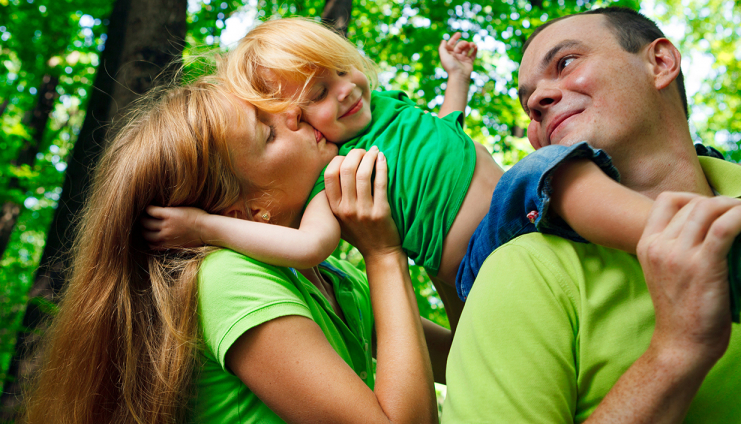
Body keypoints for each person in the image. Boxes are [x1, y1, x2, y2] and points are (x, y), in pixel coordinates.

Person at [147, 16, 741, 330]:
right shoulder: (343, 174)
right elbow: (308, 248)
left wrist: (457, 77)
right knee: (553, 170)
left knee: (642, 171)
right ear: (304, 128)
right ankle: (733, 256)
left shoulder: (391, 110)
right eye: (318, 101)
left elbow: (447, 126)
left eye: (337, 73)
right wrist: (206, 225)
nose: (343, 93)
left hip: (526, 228)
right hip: (484, 261)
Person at [443, 6, 741, 422]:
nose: (536, 100)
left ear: (660, 62)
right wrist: (674, 353)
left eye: (565, 62)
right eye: (527, 101)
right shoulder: (523, 271)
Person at [23, 81, 449, 424]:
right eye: (269, 132)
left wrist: (440, 237)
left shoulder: (328, 274)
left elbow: (460, 359)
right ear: (249, 211)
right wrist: (383, 254)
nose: (293, 112)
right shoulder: (227, 278)